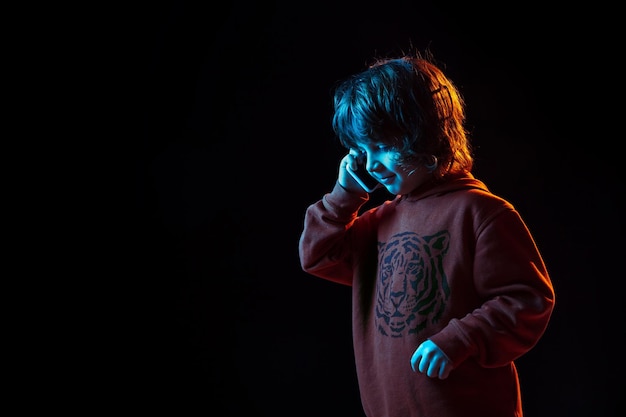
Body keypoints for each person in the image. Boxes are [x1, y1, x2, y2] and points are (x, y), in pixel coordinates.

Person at [298, 50, 555, 417]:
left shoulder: (481, 212)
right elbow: (317, 256)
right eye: (361, 150)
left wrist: (460, 339)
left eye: (384, 146)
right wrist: (344, 196)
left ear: (428, 136)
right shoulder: (377, 222)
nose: (371, 165)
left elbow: (528, 299)